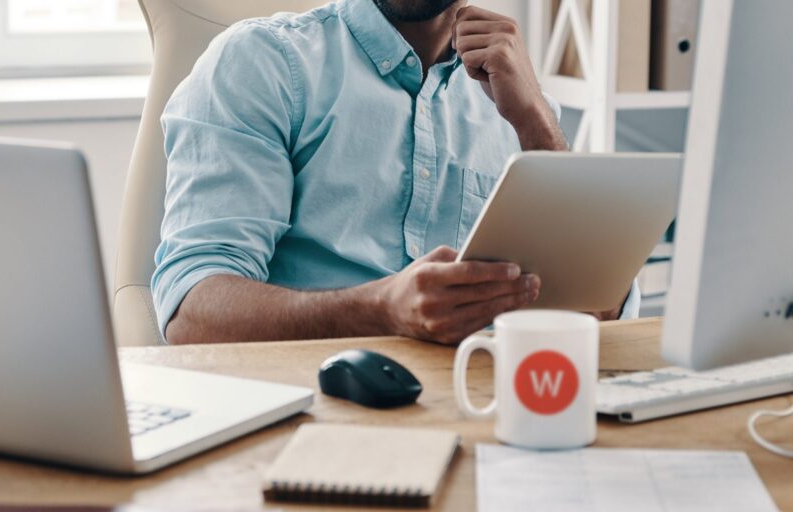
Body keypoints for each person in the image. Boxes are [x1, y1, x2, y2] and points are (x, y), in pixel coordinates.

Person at [152, 0, 638, 345]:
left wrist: (536, 124)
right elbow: (193, 313)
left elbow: (599, 311)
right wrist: (380, 310)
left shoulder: (522, 105)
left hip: (479, 408)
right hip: (309, 414)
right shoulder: (264, 63)